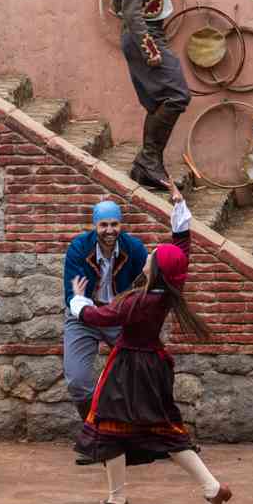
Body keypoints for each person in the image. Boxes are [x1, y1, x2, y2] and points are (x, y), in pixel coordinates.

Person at [68, 186, 231, 504]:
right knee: (167, 432)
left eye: (152, 258)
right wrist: (180, 210)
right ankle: (212, 487)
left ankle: (117, 500)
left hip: (130, 369)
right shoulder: (168, 290)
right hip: (152, 365)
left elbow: (98, 317)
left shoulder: (138, 302)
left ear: (155, 271)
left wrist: (78, 301)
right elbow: (181, 250)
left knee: (109, 428)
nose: (147, 257)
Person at [62, 198, 148, 464]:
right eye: (103, 225)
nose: (110, 230)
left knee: (145, 371)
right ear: (94, 225)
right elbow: (71, 294)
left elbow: (146, 285)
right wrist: (90, 311)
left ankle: (160, 439)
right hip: (82, 316)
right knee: (77, 381)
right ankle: (97, 439)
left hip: (119, 316)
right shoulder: (78, 248)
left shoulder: (134, 249)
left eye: (114, 224)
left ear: (121, 224)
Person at [113, 0, 191, 189]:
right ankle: (148, 161)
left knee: (161, 100)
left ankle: (146, 166)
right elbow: (130, 11)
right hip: (143, 36)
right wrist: (150, 49)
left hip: (152, 31)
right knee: (178, 95)